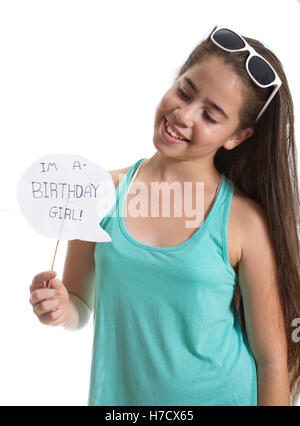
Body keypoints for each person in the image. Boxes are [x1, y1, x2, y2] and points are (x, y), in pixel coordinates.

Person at [29, 25, 300, 406]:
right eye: (185, 92)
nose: (184, 115)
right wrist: (58, 309)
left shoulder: (244, 222)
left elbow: (272, 361)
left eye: (211, 115)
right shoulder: (98, 193)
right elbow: (79, 305)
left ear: (237, 137)